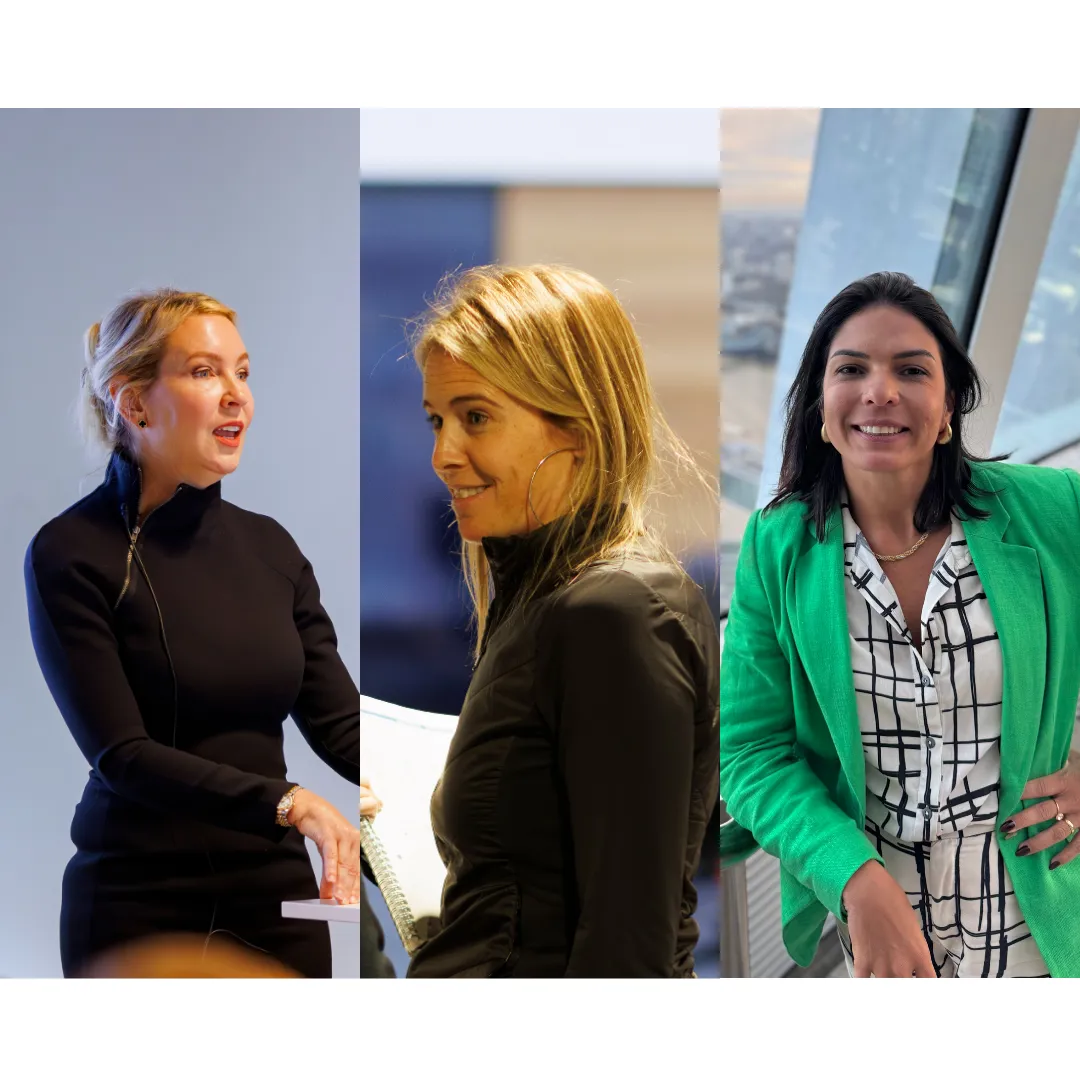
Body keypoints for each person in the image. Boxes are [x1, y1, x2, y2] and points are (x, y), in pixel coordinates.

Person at [720, 271, 1080, 978]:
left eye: (912, 370)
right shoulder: (775, 546)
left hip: (1041, 923)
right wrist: (854, 878)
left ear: (947, 409)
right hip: (883, 932)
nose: (879, 390)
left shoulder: (1054, 509)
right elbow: (752, 751)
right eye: (851, 369)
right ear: (820, 407)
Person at [24, 289, 388, 978]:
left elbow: (343, 727)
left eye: (242, 373)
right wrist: (288, 801)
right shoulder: (70, 552)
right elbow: (123, 755)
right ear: (133, 401)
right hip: (136, 904)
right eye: (204, 371)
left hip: (274, 900)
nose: (235, 395)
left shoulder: (272, 549)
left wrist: (453, 775)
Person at [404, 264, 719, 978]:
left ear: (577, 428)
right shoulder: (544, 598)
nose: (443, 455)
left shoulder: (615, 611)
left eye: (475, 417)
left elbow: (626, 953)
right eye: (437, 420)